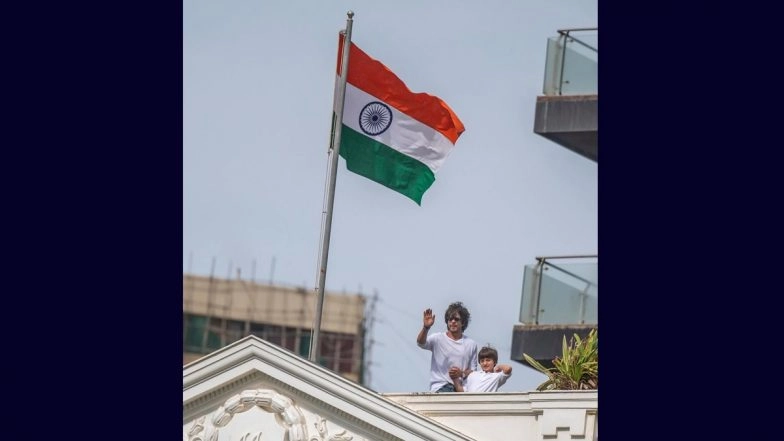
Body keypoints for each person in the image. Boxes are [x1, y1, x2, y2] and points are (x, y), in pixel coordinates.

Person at [416, 301, 479, 392]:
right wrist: (426, 328)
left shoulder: (471, 344)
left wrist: (461, 373)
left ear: (463, 323)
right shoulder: (438, 338)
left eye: (456, 319)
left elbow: (473, 372)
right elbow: (420, 343)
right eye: (450, 319)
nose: (453, 322)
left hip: (461, 389)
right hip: (441, 386)